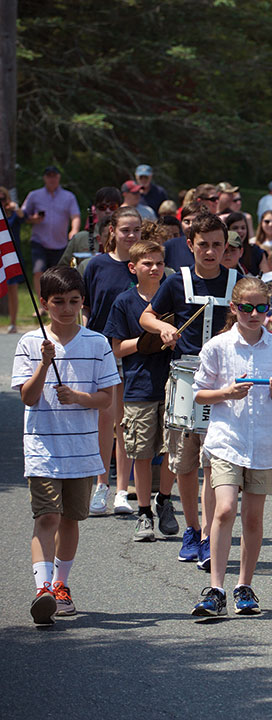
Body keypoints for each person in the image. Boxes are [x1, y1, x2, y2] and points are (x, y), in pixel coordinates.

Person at [14, 266, 120, 624]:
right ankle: (42, 588)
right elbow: (28, 398)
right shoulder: (30, 343)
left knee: (71, 520)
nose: (66, 308)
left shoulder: (97, 343)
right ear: (44, 304)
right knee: (47, 516)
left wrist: (78, 397)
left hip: (81, 449)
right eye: (58, 302)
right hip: (43, 446)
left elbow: (106, 400)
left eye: (73, 301)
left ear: (82, 302)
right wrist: (44, 365)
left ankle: (61, 585)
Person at [139, 212, 237, 571]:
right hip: (184, 378)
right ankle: (192, 531)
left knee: (215, 463)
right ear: (190, 245)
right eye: (203, 245)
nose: (210, 252)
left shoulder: (236, 282)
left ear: (225, 246)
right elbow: (146, 316)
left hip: (224, 382)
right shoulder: (176, 282)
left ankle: (211, 537)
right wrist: (163, 329)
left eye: (216, 245)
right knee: (184, 463)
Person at [190, 277, 272, 616]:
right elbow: (199, 392)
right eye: (246, 307)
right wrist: (225, 394)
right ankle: (215, 587)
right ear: (234, 308)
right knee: (224, 509)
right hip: (226, 440)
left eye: (260, 308)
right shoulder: (219, 346)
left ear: (268, 310)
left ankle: (244, 586)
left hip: (263, 441)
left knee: (253, 516)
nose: (253, 314)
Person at [102, 239, 179, 542]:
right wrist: (145, 342)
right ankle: (144, 512)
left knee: (174, 451)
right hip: (139, 386)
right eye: (147, 263)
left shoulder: (173, 295)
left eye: (159, 263)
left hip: (174, 384)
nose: (155, 268)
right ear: (133, 268)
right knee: (143, 453)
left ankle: (165, 500)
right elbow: (117, 349)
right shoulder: (124, 302)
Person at [82, 207, 142, 515]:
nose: (131, 235)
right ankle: (101, 485)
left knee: (126, 423)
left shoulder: (143, 266)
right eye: (125, 230)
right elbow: (86, 308)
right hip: (100, 351)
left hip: (134, 351)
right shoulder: (96, 265)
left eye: (136, 230)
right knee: (104, 421)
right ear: (112, 232)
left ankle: (122, 489)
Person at [21, 166, 82, 299]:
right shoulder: (34, 195)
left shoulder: (68, 196)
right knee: (38, 271)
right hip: (39, 241)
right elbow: (23, 215)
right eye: (49, 176)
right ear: (44, 178)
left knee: (57, 275)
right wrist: (33, 219)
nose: (52, 179)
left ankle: (54, 301)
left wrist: (74, 230)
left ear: (59, 177)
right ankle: (41, 303)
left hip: (60, 243)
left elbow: (75, 216)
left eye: (54, 176)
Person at [0, 185, 26, 331]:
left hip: (11, 255)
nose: (1, 202)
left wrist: (15, 207)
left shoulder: (13, 215)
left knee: (12, 289)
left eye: (3, 198)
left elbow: (23, 216)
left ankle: (13, 323)